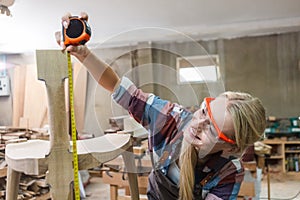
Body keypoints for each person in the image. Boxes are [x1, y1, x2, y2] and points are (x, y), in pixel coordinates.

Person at [57, 12, 267, 200]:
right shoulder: (169, 119)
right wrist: (83, 54)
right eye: (204, 111)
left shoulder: (228, 172)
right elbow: (118, 87)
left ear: (231, 147)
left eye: (212, 129)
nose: (198, 124)